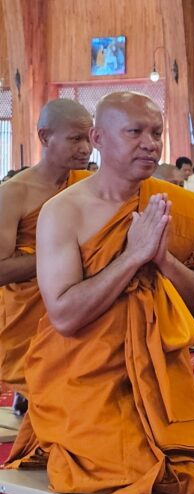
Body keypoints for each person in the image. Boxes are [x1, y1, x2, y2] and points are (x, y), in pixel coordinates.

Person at [4, 91, 194, 494]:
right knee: (121, 470)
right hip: (85, 373)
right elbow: (63, 315)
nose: (149, 142)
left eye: (156, 133)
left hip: (164, 373)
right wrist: (133, 257)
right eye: (135, 132)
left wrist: (164, 259)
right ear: (98, 138)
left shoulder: (176, 206)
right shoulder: (64, 211)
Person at [0, 99, 93, 412]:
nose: (86, 148)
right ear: (44, 137)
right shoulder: (14, 193)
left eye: (90, 138)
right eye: (75, 138)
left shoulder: (88, 187)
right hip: (30, 316)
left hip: (77, 309)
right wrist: (60, 260)